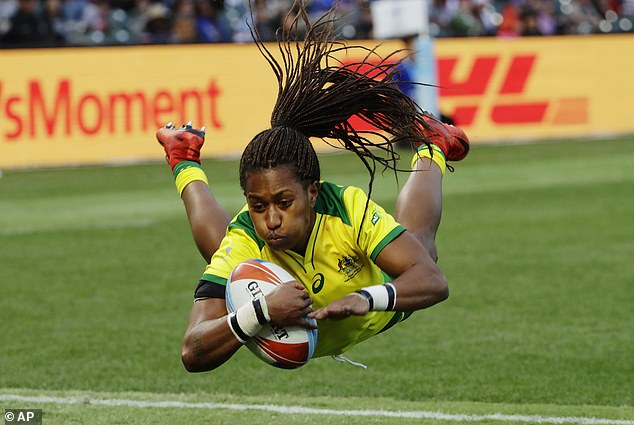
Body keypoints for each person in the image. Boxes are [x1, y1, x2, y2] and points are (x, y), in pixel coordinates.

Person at [155, 2, 470, 372]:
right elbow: (192, 352)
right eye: (257, 205)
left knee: (421, 249)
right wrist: (259, 312)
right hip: (273, 292)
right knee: (226, 249)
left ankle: (431, 143)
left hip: (373, 307)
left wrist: (365, 298)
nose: (271, 218)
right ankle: (184, 159)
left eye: (284, 202)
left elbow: (433, 282)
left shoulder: (346, 207)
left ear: (313, 193)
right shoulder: (247, 235)